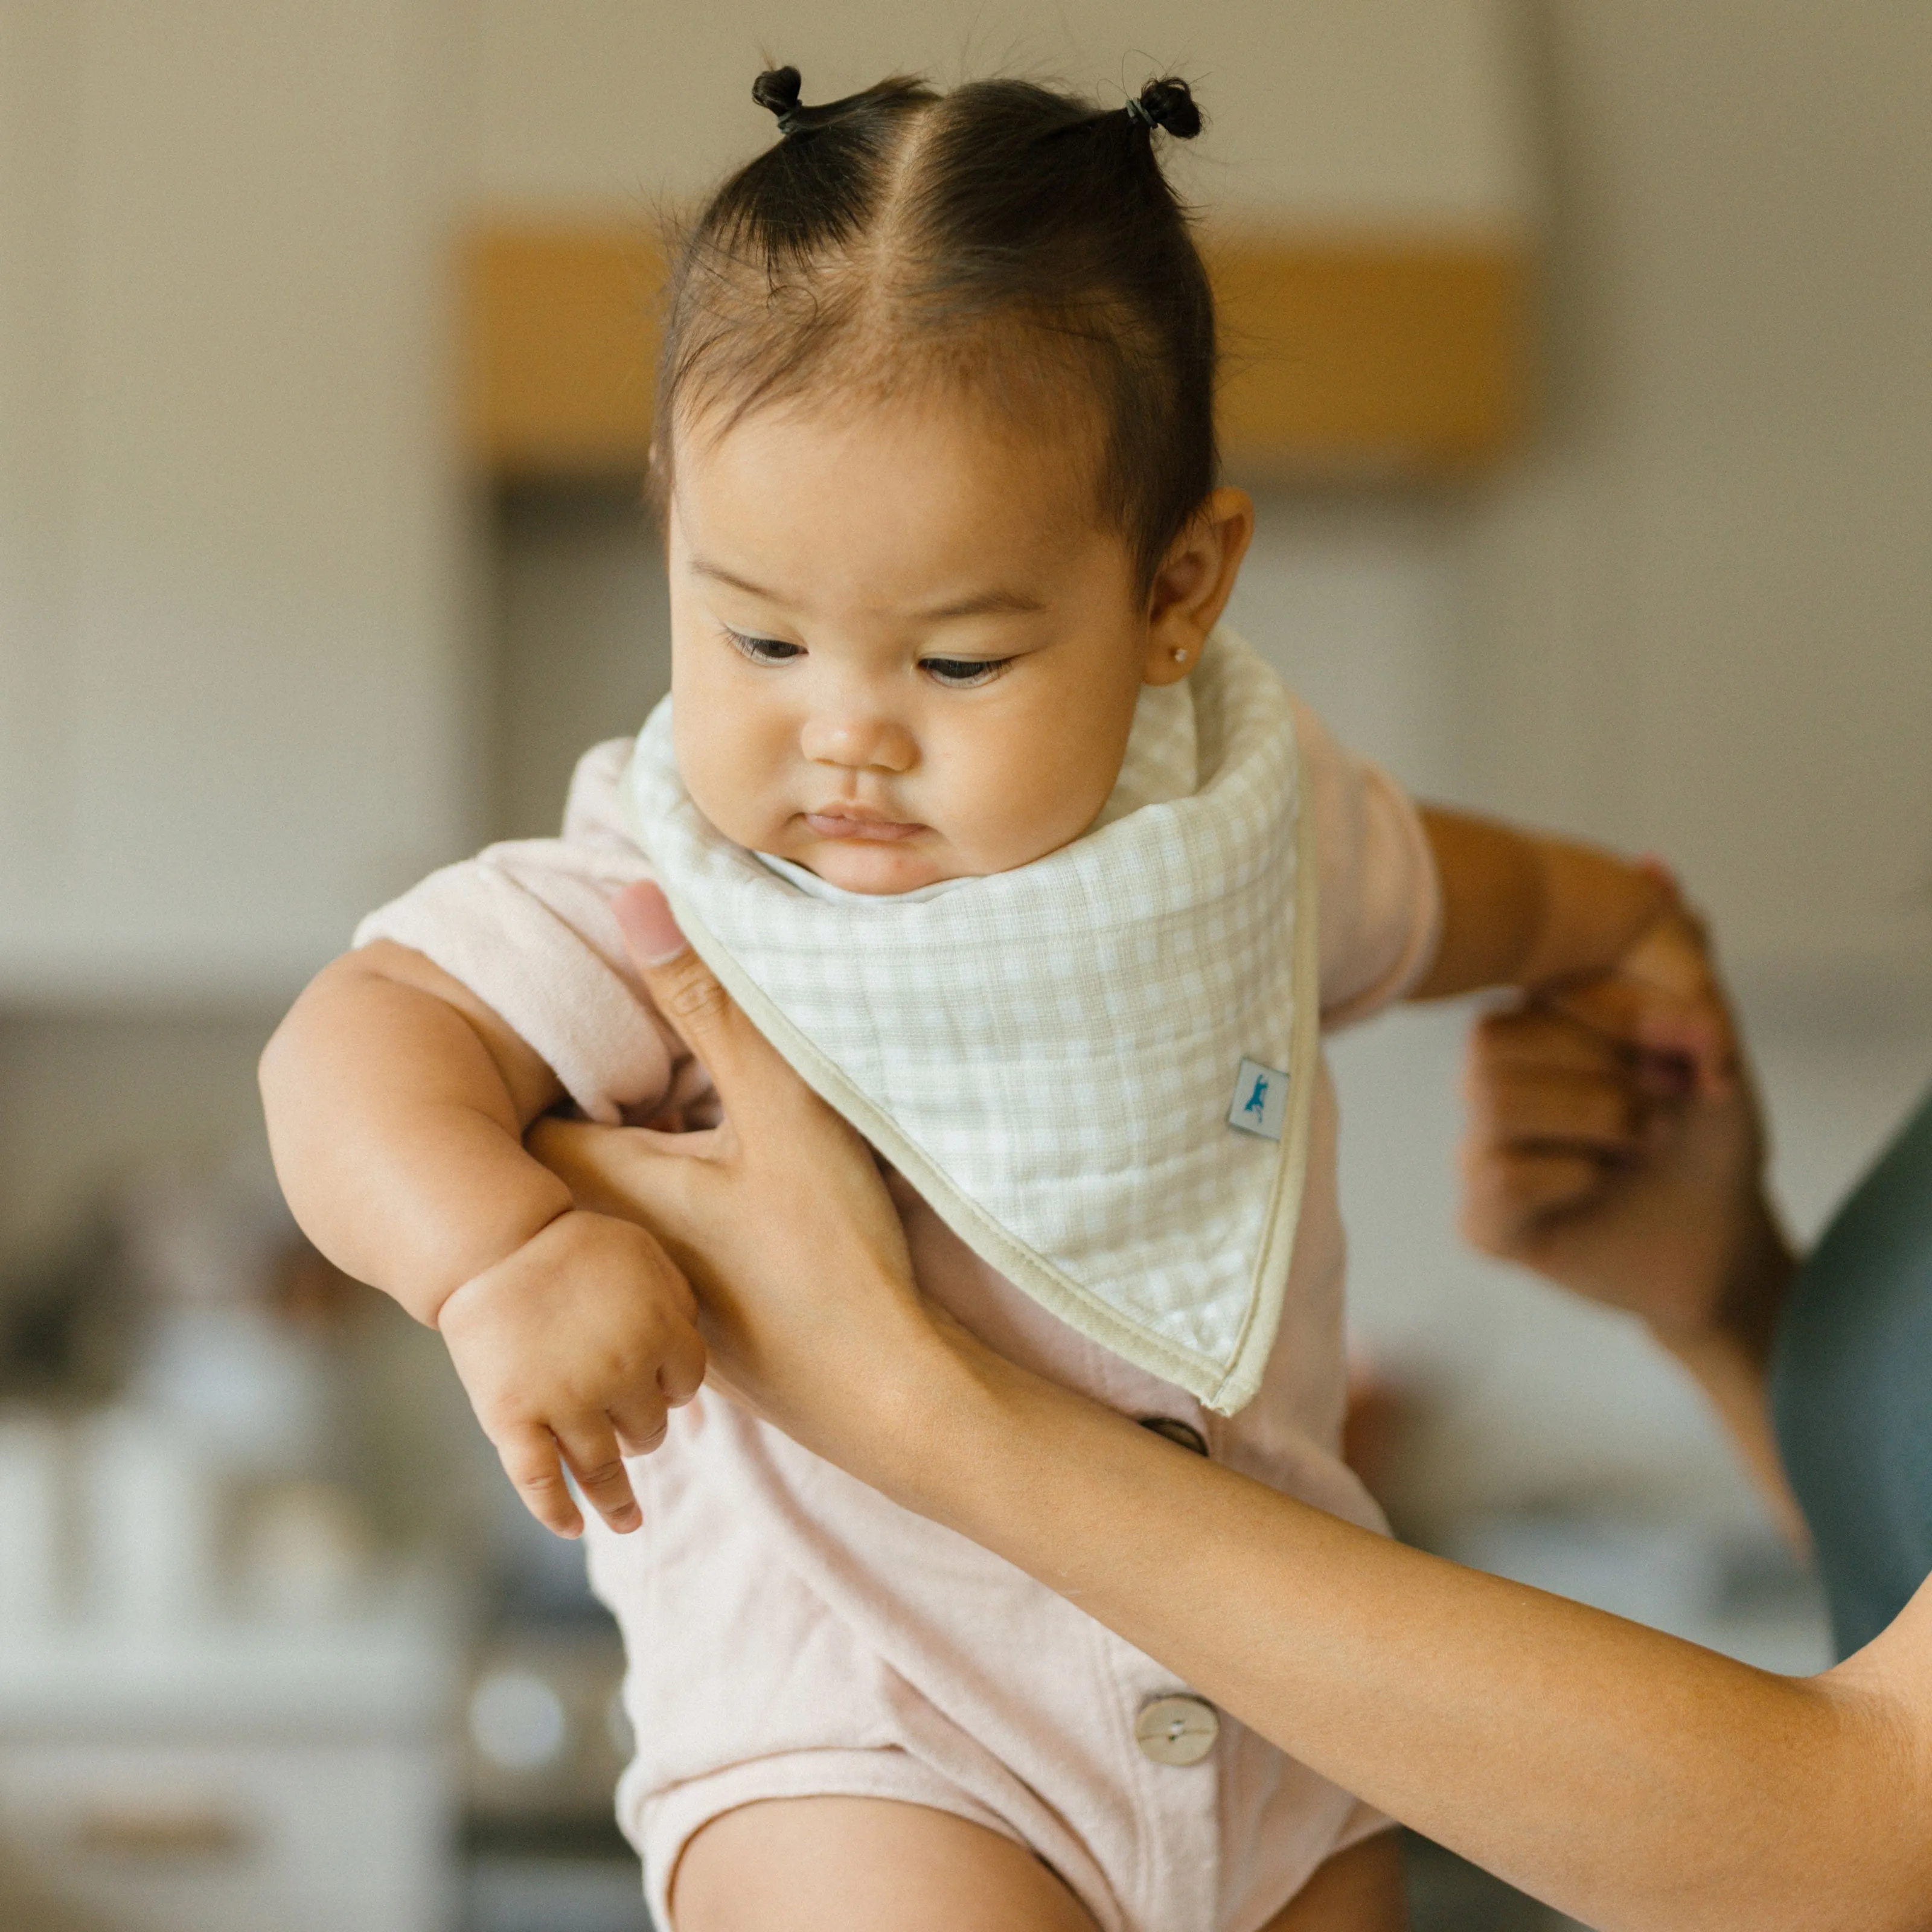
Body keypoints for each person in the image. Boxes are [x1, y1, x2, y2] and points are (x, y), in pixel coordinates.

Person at [260, 68, 1703, 1932]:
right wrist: (498, 1259)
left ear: (1174, 594)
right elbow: (358, 1042)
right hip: (872, 1737)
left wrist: (1622, 924)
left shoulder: (1245, 829)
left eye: (958, 656)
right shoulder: (673, 894)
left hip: (1288, 1720)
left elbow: (1456, 890)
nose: (845, 731)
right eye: (758, 636)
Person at [535, 881, 1932, 1932]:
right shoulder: (654, 848)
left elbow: (1881, 1842)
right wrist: (1727, 1302)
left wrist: (910, 1401)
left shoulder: (1237, 808)